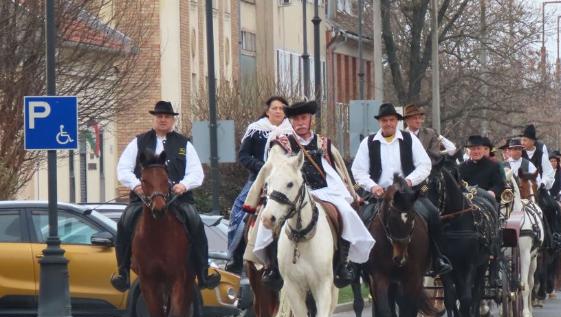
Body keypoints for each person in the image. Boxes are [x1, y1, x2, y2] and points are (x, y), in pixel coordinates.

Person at [253, 100, 375, 289]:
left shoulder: (323, 143)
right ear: (291, 121)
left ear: (310, 120)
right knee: (267, 220)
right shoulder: (281, 143)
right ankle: (272, 266)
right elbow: (273, 167)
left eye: (304, 118)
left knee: (346, 213)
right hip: (291, 194)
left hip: (323, 191)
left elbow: (335, 169)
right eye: (296, 119)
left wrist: (348, 192)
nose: (300, 123)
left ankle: (343, 264)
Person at [111, 100, 221, 293]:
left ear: (172, 120)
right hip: (144, 199)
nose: (163, 120)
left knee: (195, 223)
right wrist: (136, 185)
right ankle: (122, 273)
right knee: (125, 222)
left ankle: (203, 272)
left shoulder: (184, 144)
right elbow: (123, 168)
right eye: (160, 116)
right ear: (154, 119)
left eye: (167, 117)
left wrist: (183, 185)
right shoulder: (139, 142)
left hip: (177, 200)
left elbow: (197, 173)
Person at [351, 102, 452, 275]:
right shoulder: (368, 142)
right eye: (384, 120)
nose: (388, 123)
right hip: (380, 195)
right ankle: (355, 265)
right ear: (379, 122)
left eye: (391, 120)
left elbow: (424, 165)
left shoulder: (409, 139)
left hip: (408, 195)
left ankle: (437, 257)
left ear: (397, 121)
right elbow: (358, 170)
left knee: (434, 214)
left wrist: (409, 182)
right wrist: (373, 186)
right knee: (359, 219)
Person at [225, 96, 293, 273]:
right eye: (275, 108)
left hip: (286, 181)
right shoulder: (255, 130)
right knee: (238, 212)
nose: (278, 111)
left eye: (282, 108)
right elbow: (244, 156)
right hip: (259, 179)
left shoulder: (292, 132)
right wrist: (262, 167)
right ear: (267, 111)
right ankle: (235, 255)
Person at [458, 135, 505, 201]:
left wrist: (492, 192)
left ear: (483, 149)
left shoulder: (493, 166)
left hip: (487, 200)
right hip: (466, 202)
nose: (476, 152)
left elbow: (499, 184)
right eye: (473, 149)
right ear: (467, 151)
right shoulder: (461, 168)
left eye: (478, 148)